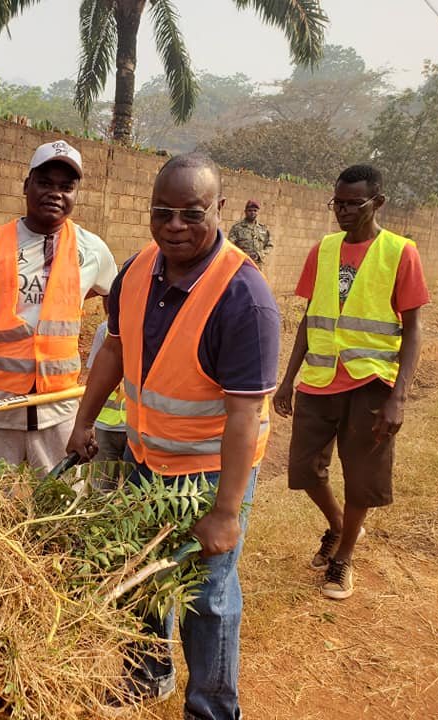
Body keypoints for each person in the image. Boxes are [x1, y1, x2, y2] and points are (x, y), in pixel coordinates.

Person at [67, 153, 280, 720]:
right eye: (163, 213)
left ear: (220, 210)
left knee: (205, 598)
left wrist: (227, 511)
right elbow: (114, 349)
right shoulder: (136, 272)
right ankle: (147, 673)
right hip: (145, 458)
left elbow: (243, 414)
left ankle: (211, 708)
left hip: (212, 475)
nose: (175, 226)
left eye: (192, 213)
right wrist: (84, 421)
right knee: (142, 575)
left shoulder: (245, 299)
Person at [273, 164, 430, 601]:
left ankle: (342, 559)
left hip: (372, 382)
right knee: (304, 471)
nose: (341, 211)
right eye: (336, 203)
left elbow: (414, 328)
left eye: (352, 203)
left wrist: (400, 396)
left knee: (361, 476)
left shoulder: (401, 252)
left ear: (376, 202)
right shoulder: (322, 250)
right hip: (321, 379)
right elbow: (310, 317)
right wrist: (288, 379)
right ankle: (342, 529)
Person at [0, 140, 118, 474]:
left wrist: (113, 372)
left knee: (60, 510)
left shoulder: (93, 251)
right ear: (26, 185)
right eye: (45, 183)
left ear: (76, 194)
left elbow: (118, 317)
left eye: (67, 186)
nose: (55, 193)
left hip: (60, 411)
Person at [85, 299, 127, 490]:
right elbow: (95, 373)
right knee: (101, 489)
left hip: (136, 428)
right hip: (105, 426)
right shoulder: (105, 330)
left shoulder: (153, 326)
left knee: (134, 492)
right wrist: (86, 423)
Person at [227, 199, 273, 267]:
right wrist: (242, 256)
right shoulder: (237, 228)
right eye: (250, 210)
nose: (252, 213)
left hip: (257, 266)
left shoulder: (263, 229)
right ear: (245, 212)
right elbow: (230, 245)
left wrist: (260, 254)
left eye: (255, 211)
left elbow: (269, 245)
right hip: (242, 264)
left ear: (258, 212)